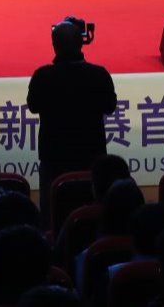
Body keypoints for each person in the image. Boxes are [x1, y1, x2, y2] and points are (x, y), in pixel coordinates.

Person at [26, 17, 116, 221]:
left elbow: (33, 106)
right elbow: (110, 106)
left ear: (54, 46)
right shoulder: (99, 74)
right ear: (82, 43)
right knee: (92, 216)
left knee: (52, 215)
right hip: (91, 157)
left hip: (54, 159)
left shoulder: (42, 76)